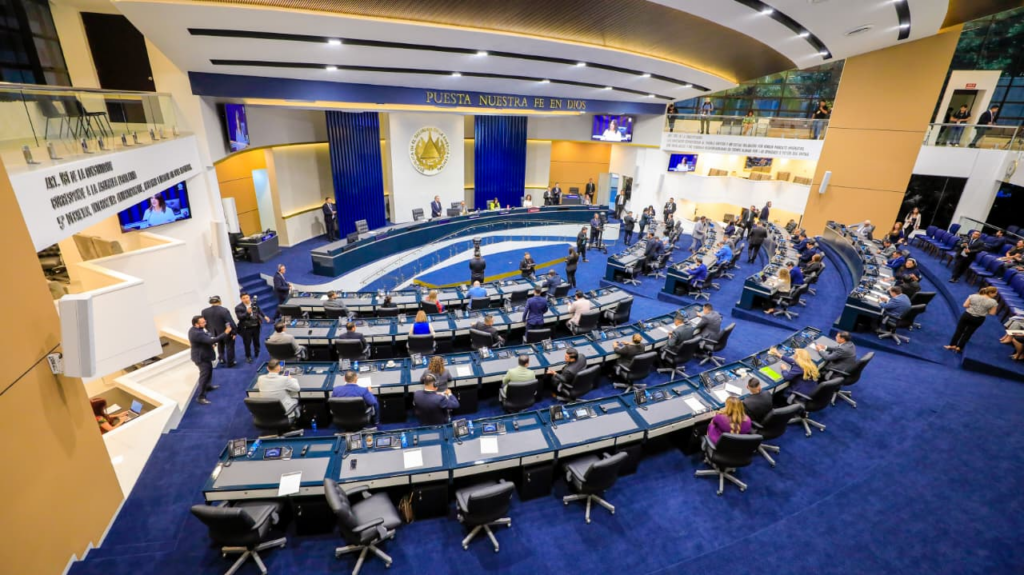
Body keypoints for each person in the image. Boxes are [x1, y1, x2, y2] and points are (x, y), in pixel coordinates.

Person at [188, 315, 232, 405]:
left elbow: (206, 339)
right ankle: (201, 397)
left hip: (205, 355)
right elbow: (211, 340)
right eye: (203, 322)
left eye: (205, 321)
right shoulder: (197, 333)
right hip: (201, 358)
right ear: (196, 324)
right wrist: (225, 333)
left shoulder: (195, 329)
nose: (205, 323)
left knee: (209, 371)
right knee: (204, 376)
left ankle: (208, 386)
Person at [945, 287, 999, 353]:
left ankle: (952, 345)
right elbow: (992, 313)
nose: (996, 295)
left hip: (967, 315)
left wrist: (973, 307)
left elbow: (965, 305)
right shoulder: (993, 302)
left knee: (959, 330)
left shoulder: (973, 296)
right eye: (995, 293)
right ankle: (959, 347)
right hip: (979, 319)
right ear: (990, 293)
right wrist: (984, 311)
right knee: (968, 332)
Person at [201, 296, 237, 368]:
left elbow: (204, 323)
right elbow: (230, 322)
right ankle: (230, 362)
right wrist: (234, 332)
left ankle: (221, 359)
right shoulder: (224, 310)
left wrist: (210, 331)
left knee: (220, 345)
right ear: (220, 301)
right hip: (226, 332)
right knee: (229, 347)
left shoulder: (204, 311)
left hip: (214, 333)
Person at [235, 292, 270, 363]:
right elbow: (240, 317)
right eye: (244, 298)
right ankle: (248, 356)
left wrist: (264, 316)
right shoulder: (238, 307)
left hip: (256, 326)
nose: (246, 299)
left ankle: (257, 352)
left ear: (249, 297)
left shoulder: (254, 303)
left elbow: (259, 310)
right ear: (241, 299)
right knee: (247, 343)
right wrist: (247, 313)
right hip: (246, 328)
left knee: (256, 340)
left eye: (247, 297)